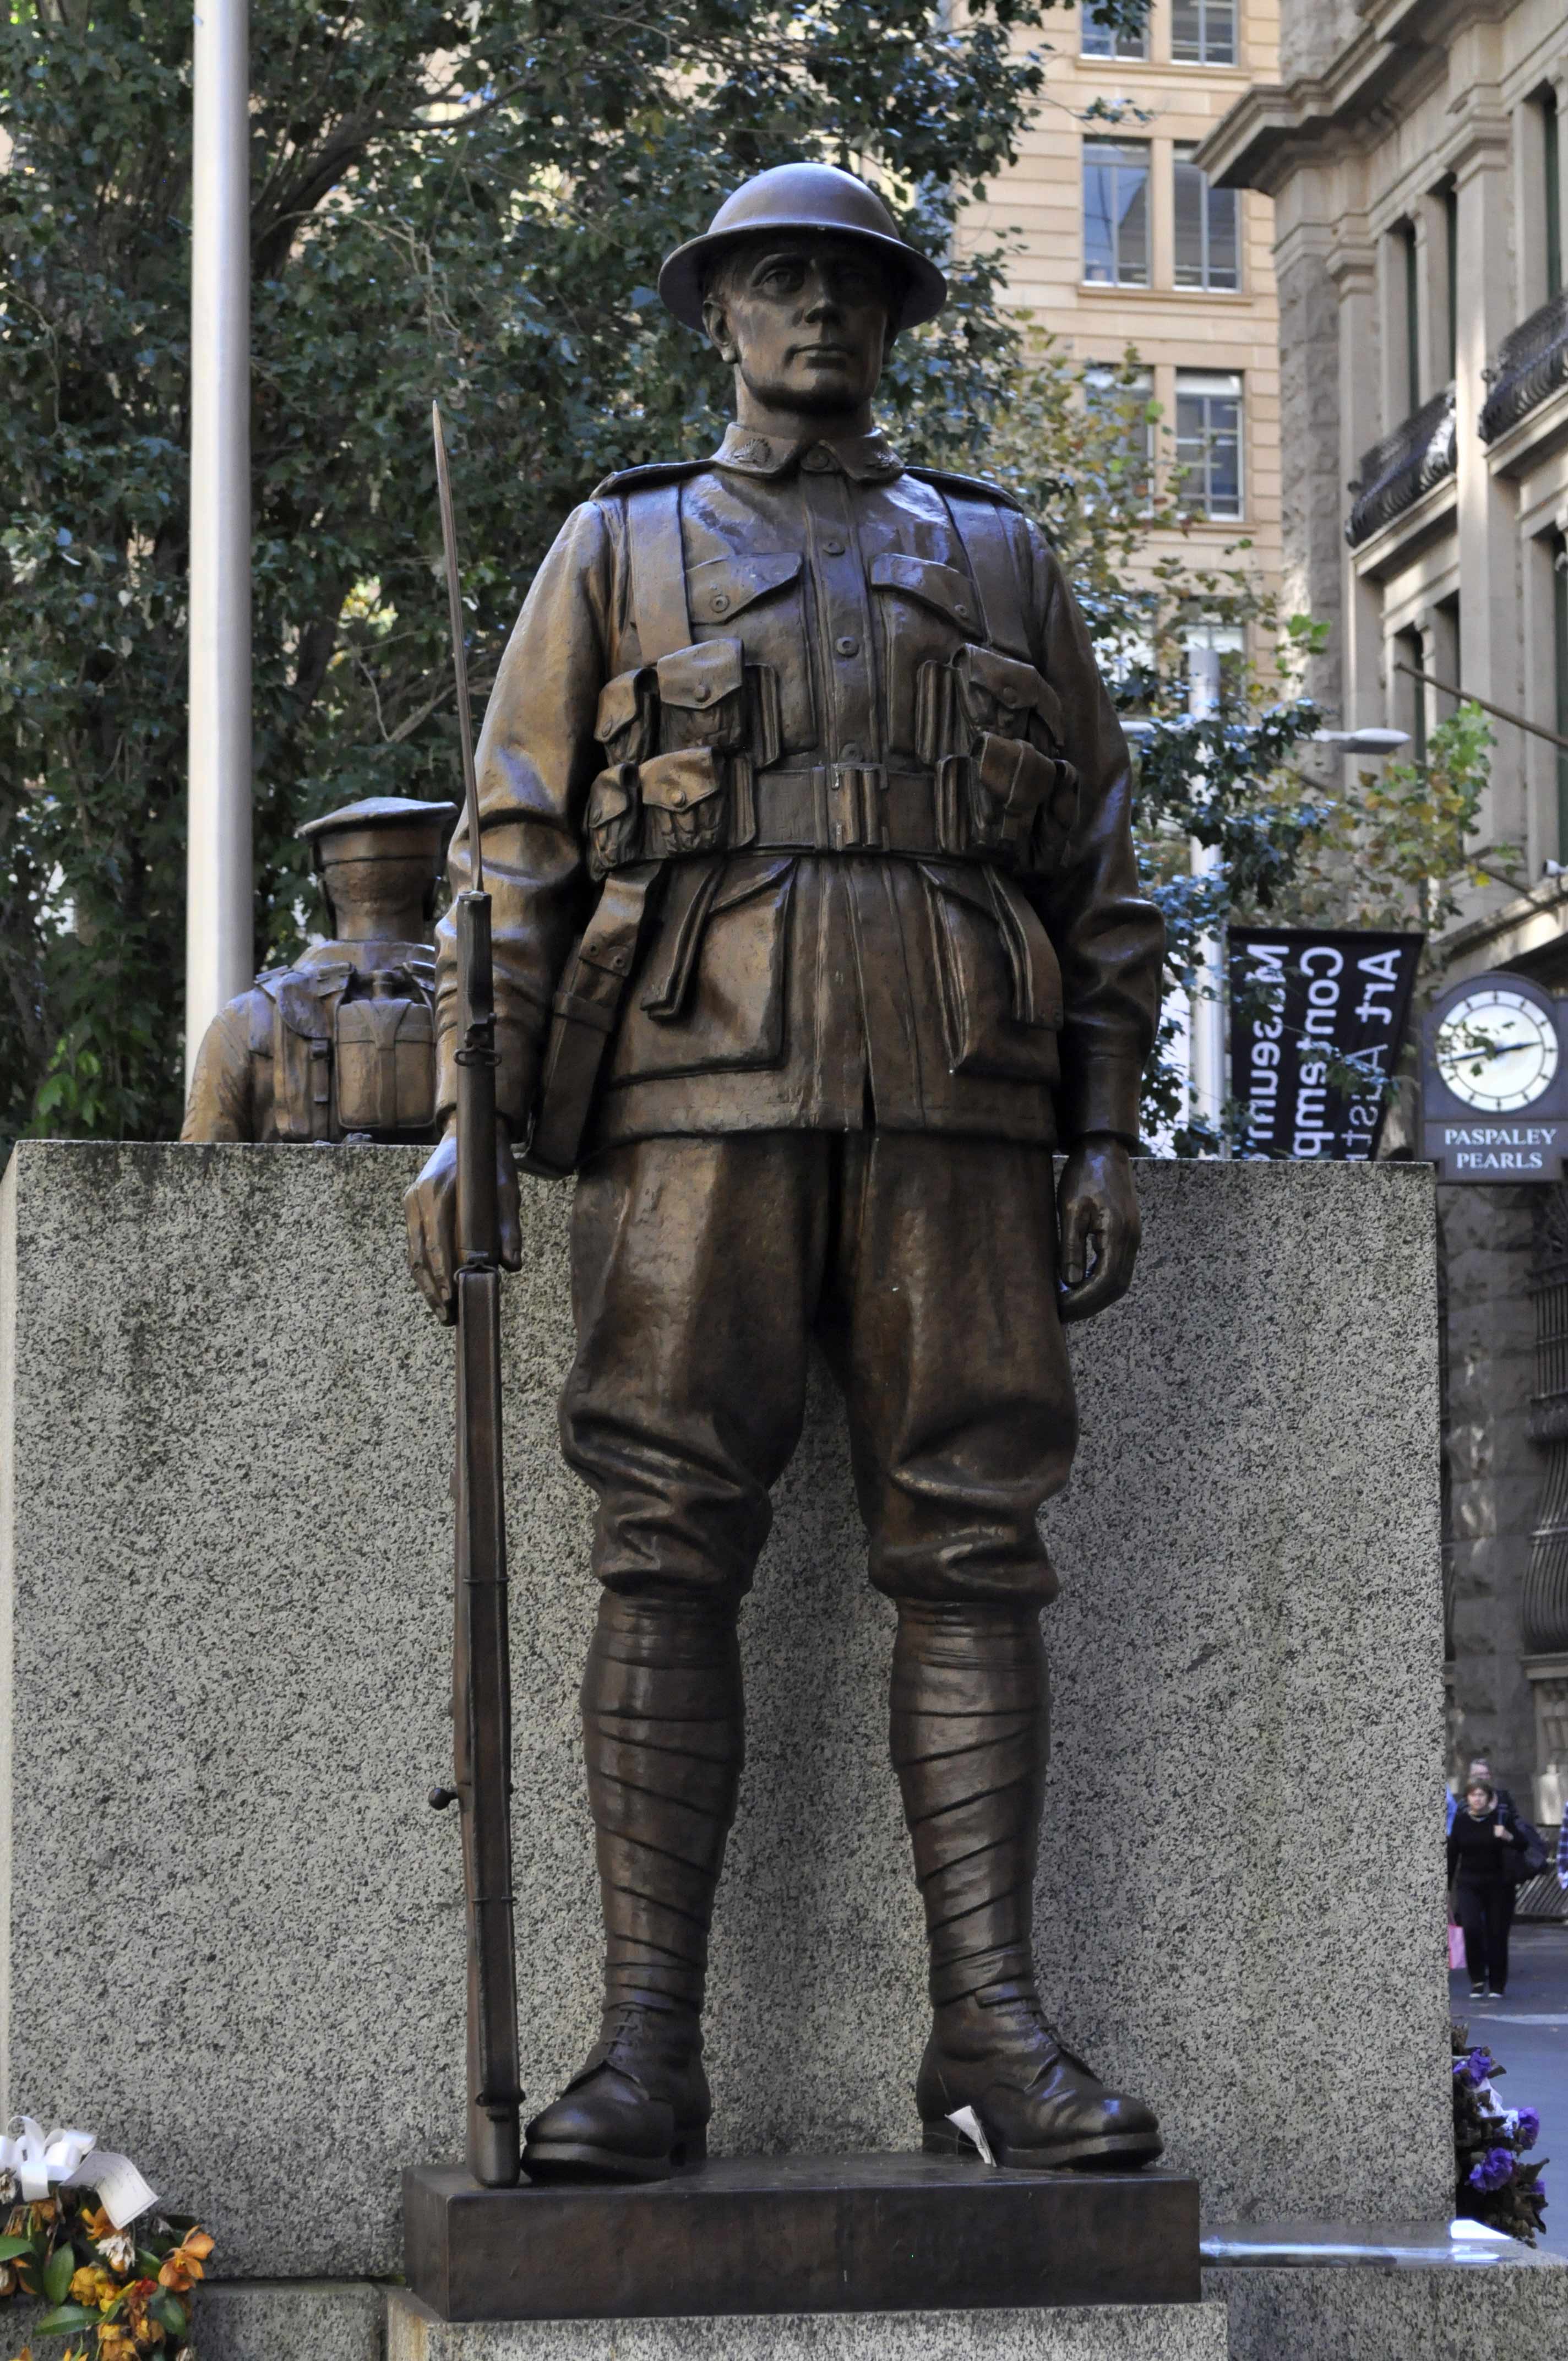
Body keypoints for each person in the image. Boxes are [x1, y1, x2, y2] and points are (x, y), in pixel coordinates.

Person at [405, 162, 1166, 2180]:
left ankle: (987, 2032)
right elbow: (511, 852)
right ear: (718, 316)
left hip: (957, 1092)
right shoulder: (618, 542)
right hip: (688, 1081)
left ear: (893, 321)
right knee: (660, 1535)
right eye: (774, 281)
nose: (813, 311)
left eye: (847, 284)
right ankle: (643, 2049)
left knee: (975, 1536)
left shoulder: (997, 559)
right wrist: (474, 1116)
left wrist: (1101, 1120)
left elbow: (1094, 864)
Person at [183, 797, 456, 1143]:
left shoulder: (245, 1020)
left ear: (325, 893)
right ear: (433, 890)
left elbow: (201, 1167)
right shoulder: (484, 1009)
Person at [1448, 1778, 1528, 1998]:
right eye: (1473, 1795)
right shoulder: (1462, 1821)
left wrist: (1507, 1836)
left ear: (1490, 1799)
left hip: (1499, 1885)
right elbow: (1452, 1854)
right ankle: (1477, 1979)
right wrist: (1446, 1887)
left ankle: (1497, 1984)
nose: (1477, 1799)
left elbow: (1523, 1844)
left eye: (1482, 1795)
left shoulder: (1501, 1819)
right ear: (1467, 1799)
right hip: (1468, 1884)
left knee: (1497, 1933)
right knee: (1472, 1930)